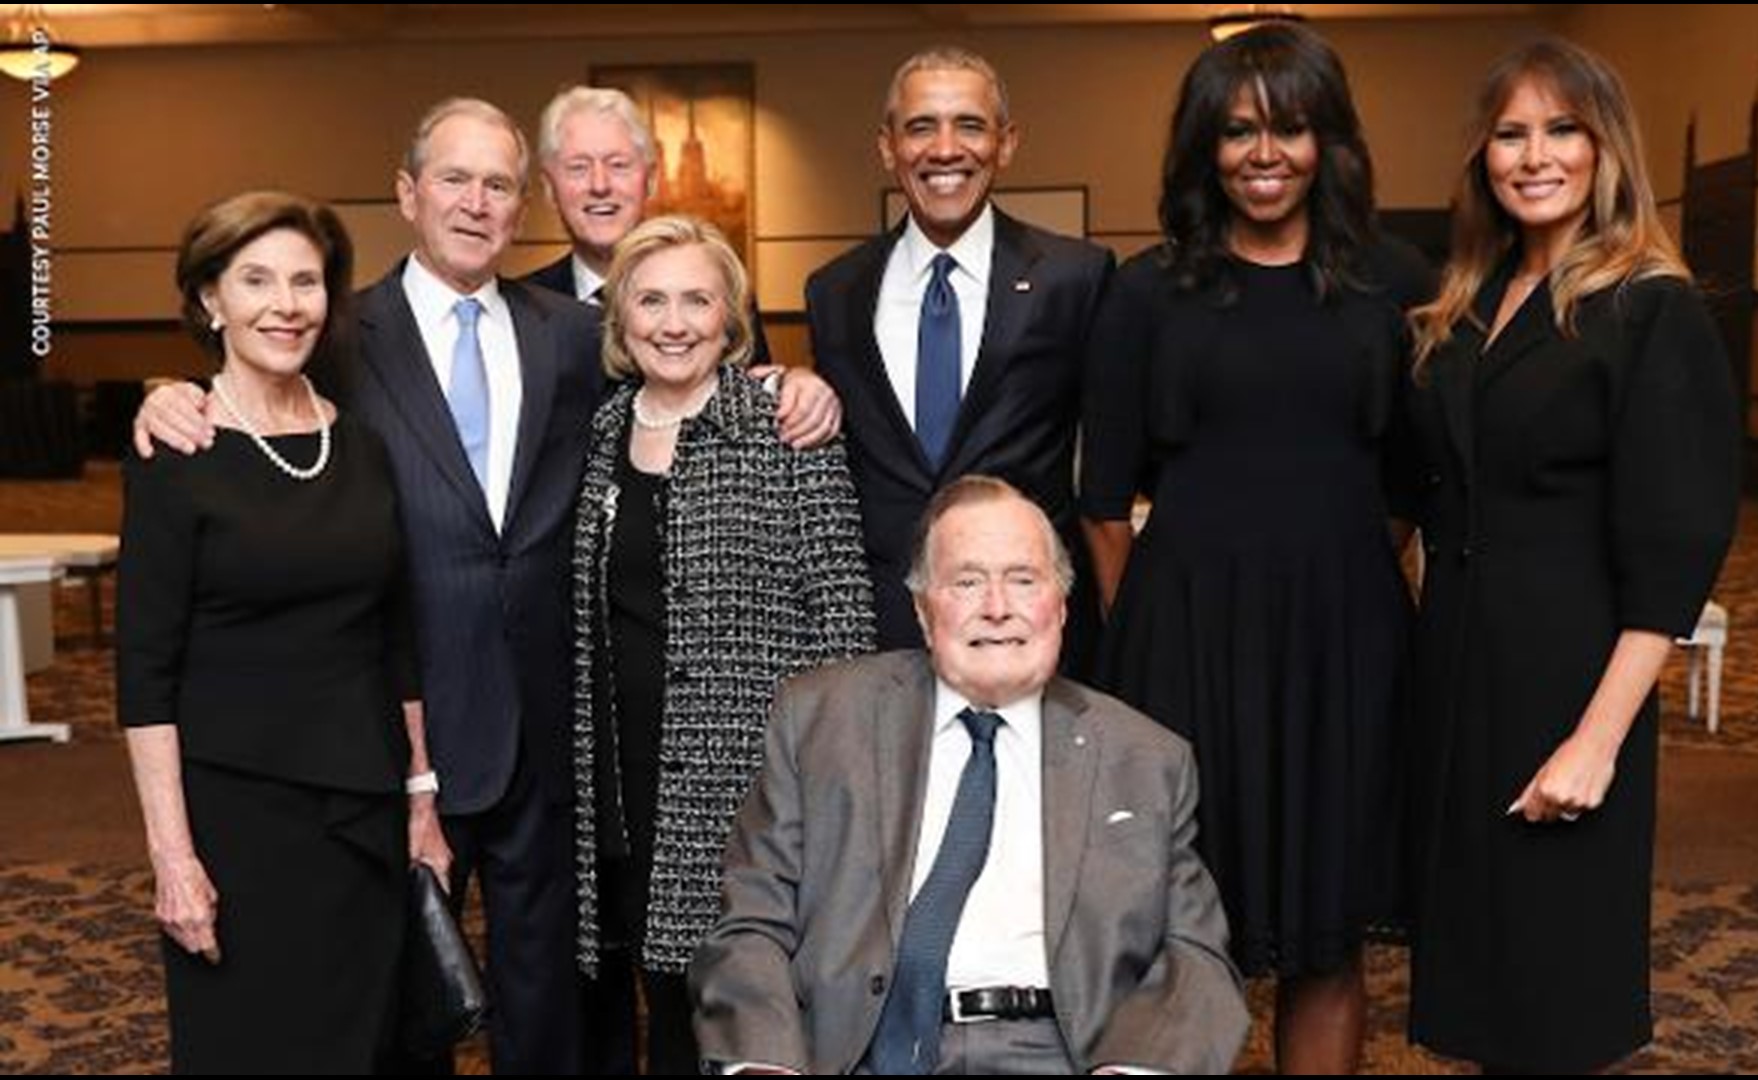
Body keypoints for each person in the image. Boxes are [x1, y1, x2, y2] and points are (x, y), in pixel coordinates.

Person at [129, 99, 842, 1073]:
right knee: (395, 1003)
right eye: (454, 180)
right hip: (389, 736)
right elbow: (252, 387)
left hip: (552, 737)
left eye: (498, 184)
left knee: (546, 1001)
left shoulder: (568, 335)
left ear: (523, 204)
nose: (476, 203)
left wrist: (789, 382)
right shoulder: (338, 329)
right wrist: (164, 395)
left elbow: (681, 391)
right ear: (408, 193)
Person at [1077, 22, 1428, 1073]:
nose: (1264, 153)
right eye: (1238, 132)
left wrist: (1346, 584)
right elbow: (1101, 500)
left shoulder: (1392, 279)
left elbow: (1412, 484)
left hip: (1345, 645)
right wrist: (1146, 663)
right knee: (1183, 935)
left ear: (1330, 141)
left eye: (1291, 127)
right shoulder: (1145, 291)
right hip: (1181, 640)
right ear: (1206, 147)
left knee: (1329, 937)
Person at [1401, 39, 1739, 1072]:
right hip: (1458, 674)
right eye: (1511, 133)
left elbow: (1676, 553)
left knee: (1553, 989)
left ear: (1606, 150)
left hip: (1570, 677)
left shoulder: (1650, 307)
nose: (1533, 156)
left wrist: (1596, 740)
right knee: (1476, 982)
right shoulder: (1467, 302)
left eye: (1562, 130)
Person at [690, 476, 1248, 1075]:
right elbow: (751, 920)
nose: (997, 606)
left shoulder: (1144, 757)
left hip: (1064, 1055)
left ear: (1060, 605)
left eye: (1023, 579)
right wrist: (765, 1063)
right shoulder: (822, 720)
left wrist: (1135, 1069)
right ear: (923, 611)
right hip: (861, 1052)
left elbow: (1197, 953)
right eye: (967, 581)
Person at [118, 190, 450, 1073]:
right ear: (208, 301)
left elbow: (395, 638)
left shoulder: (362, 445)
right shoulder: (175, 453)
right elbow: (144, 673)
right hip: (238, 821)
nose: (285, 303)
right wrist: (173, 858)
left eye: (306, 281)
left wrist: (421, 800)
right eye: (255, 280)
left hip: (363, 808)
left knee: (372, 1044)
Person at [567, 214, 875, 1072]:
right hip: (625, 785)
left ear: (731, 317)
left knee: (745, 1012)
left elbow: (845, 621)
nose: (674, 322)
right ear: (621, 319)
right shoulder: (604, 431)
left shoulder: (783, 422)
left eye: (697, 300)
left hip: (750, 786)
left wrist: (831, 796)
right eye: (652, 300)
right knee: (658, 1005)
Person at [805, 46, 1114, 676]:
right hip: (879, 628)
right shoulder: (834, 290)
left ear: (1006, 143)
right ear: (888, 147)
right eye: (921, 127)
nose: (945, 149)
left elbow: (1110, 457)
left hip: (1025, 623)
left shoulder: (1075, 278)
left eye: (970, 125)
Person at [524, 86, 774, 366]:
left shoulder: (723, 294)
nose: (599, 185)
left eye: (618, 165)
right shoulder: (522, 309)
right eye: (578, 167)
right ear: (548, 187)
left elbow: (758, 395)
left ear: (652, 180)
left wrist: (800, 382)